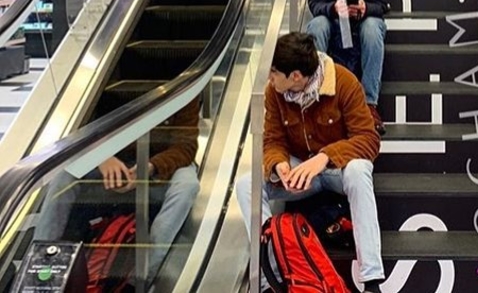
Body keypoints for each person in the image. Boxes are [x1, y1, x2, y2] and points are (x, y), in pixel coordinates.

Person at [235, 32, 384, 293]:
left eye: (273, 73)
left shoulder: (344, 82)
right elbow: (272, 140)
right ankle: (273, 273)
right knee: (247, 183)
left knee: (360, 171)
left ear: (295, 76)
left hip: (336, 169)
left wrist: (325, 158)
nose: (269, 78)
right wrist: (278, 165)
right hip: (301, 173)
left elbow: (369, 140)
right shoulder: (275, 93)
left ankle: (371, 280)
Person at [34, 99, 201, 287]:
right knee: (64, 176)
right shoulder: (106, 78)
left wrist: (151, 167)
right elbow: (78, 131)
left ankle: (140, 278)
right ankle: (40, 266)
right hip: (109, 164)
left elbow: (186, 147)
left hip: (158, 167)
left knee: (187, 186)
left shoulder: (182, 81)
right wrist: (100, 155)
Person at [306, 0, 389, 133]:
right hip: (333, 22)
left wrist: (365, 8)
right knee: (316, 26)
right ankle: (317, 98)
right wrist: (333, 8)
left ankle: (369, 104)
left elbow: (381, 5)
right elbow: (315, 3)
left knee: (373, 27)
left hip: (363, 23)